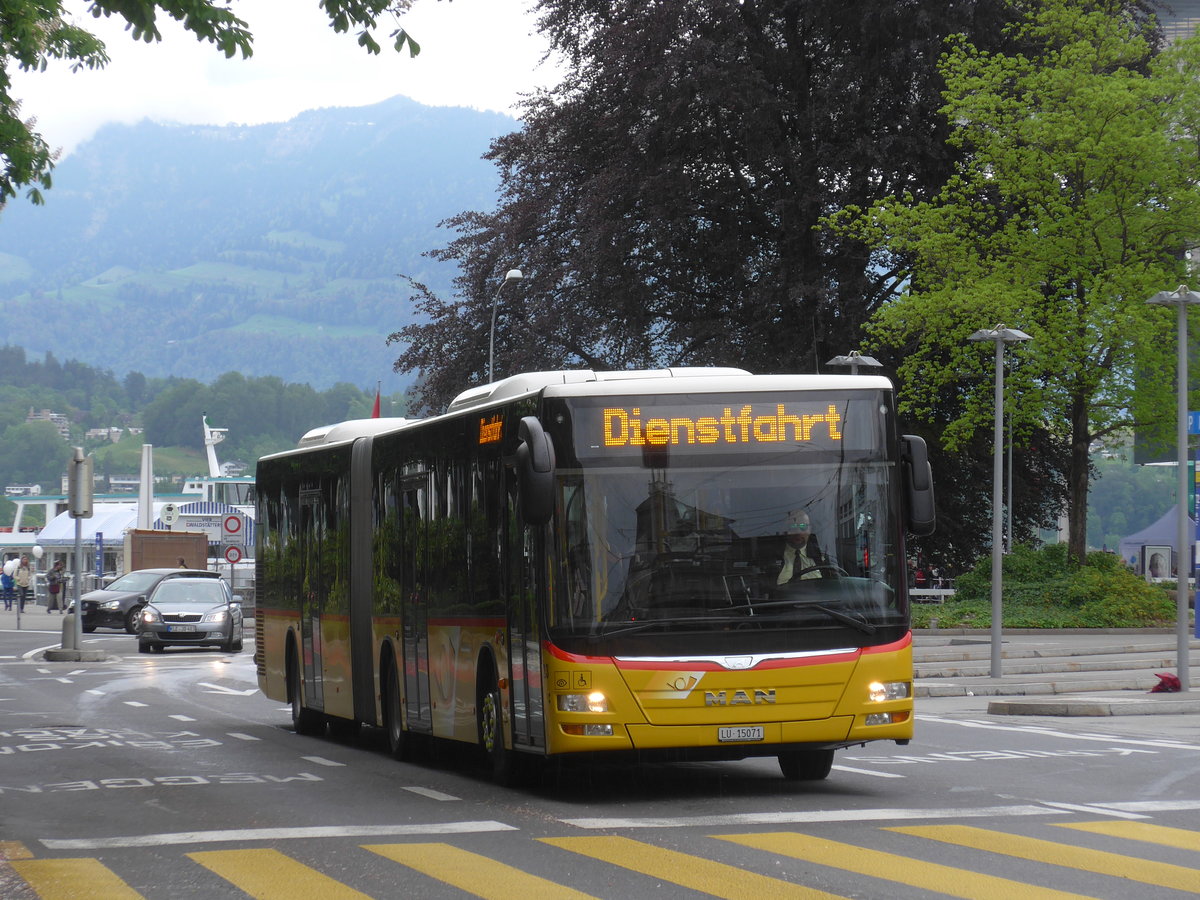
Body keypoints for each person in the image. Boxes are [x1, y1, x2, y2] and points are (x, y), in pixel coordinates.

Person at [774, 510, 825, 585]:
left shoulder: (821, 557)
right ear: (785, 531)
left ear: (810, 530)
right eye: (793, 526)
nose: (798, 532)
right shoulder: (772, 557)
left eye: (803, 526)